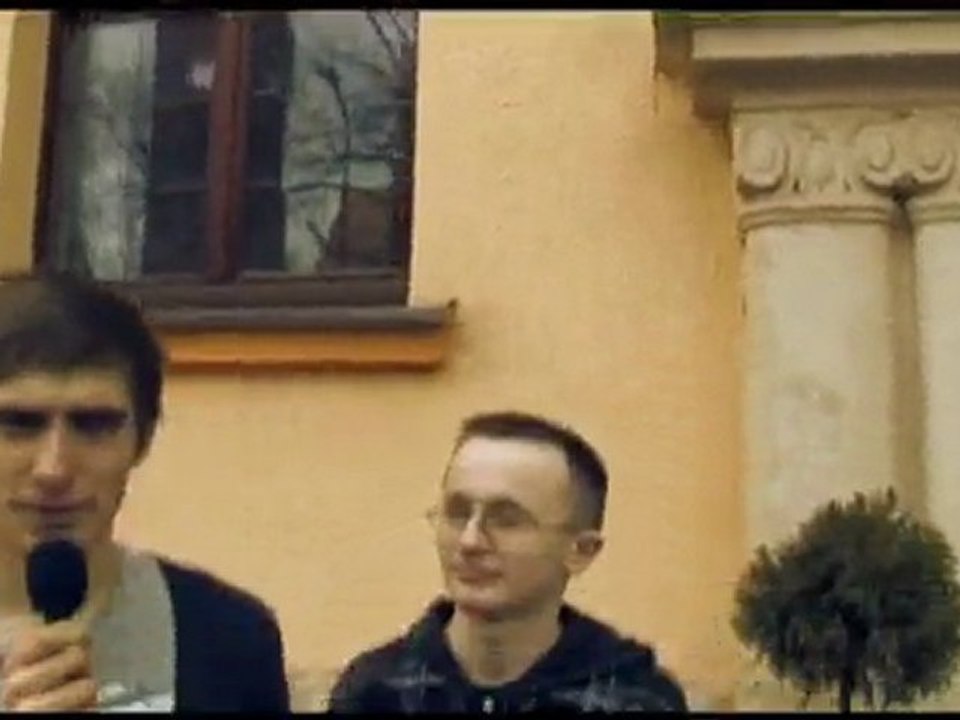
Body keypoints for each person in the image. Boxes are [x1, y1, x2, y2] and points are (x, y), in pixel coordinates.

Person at [0, 273, 289, 712]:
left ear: (144, 438)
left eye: (94, 425)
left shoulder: (226, 635)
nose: (54, 469)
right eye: (19, 424)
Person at [329, 411, 688, 712]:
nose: (470, 541)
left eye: (506, 520)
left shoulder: (634, 699)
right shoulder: (375, 692)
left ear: (581, 550)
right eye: (457, 514)